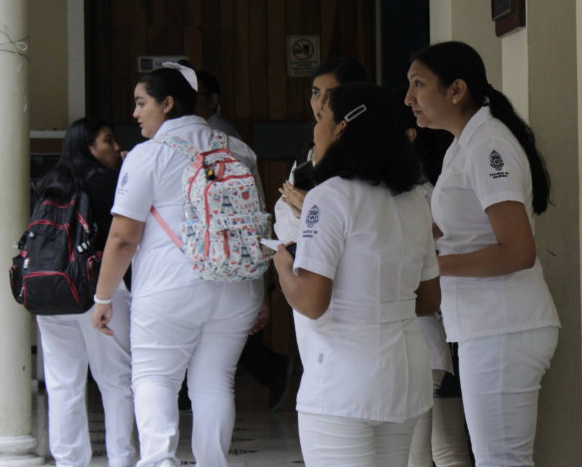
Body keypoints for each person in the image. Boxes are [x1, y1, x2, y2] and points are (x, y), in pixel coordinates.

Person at [91, 65, 265, 467]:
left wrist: (104, 296)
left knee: (156, 378)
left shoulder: (147, 155)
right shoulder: (237, 150)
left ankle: (159, 463)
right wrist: (263, 292)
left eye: (141, 103)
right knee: (215, 383)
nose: (135, 114)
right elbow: (254, 225)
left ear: (167, 104)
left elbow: (122, 237)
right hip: (239, 284)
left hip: (170, 285)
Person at [405, 41, 560, 467]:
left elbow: (517, 251)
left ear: (457, 90)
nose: (408, 99)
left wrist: (431, 268)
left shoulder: (489, 146)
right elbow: (447, 231)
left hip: (504, 327)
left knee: (501, 459)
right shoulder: (461, 145)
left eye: (419, 85)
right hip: (484, 327)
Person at [274, 82, 441, 467]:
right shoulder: (415, 200)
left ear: (342, 128)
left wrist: (284, 267)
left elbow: (313, 302)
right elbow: (429, 300)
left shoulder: (329, 197)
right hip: (404, 375)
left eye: (322, 119)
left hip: (343, 380)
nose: (314, 129)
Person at [34, 117, 136, 467]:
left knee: (63, 383)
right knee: (115, 380)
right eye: (107, 141)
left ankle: (69, 462)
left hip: (51, 291)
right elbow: (122, 237)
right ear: (88, 147)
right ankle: (121, 460)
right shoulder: (106, 181)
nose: (116, 147)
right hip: (97, 291)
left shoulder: (50, 182)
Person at [393, 94, 471, 467]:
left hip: (428, 335)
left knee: (420, 452)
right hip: (436, 335)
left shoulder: (414, 194)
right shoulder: (417, 190)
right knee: (444, 444)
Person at [274, 57, 369, 240]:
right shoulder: (306, 159)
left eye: (332, 94)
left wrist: (315, 207)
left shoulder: (370, 157)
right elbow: (284, 233)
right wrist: (298, 214)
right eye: (316, 93)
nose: (321, 103)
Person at [194, 70, 242, 140]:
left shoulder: (221, 133)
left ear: (212, 100)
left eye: (194, 95)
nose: (188, 101)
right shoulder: (201, 129)